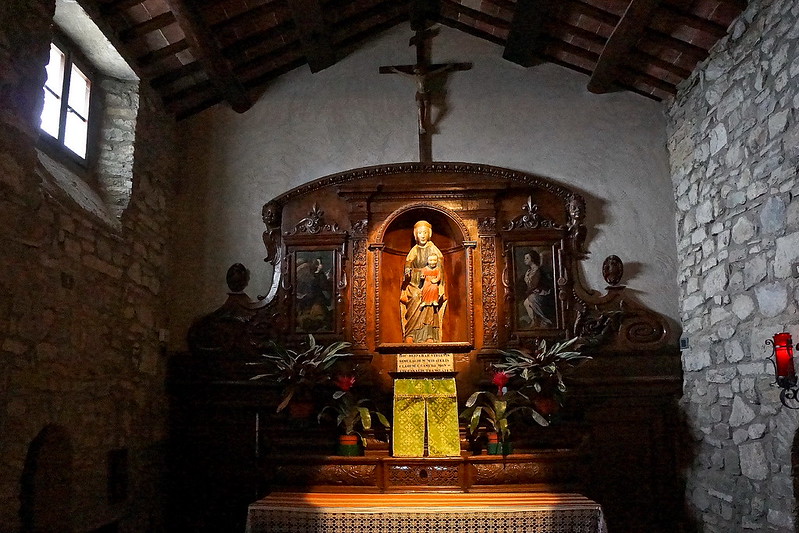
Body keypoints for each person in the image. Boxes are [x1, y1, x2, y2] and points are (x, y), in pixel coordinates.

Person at [400, 220, 446, 342]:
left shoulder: (433, 249)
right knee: (415, 297)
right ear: (416, 235)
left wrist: (440, 286)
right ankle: (411, 333)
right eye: (420, 233)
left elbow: (440, 268)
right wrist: (408, 270)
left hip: (430, 283)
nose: (422, 235)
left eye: (425, 232)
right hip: (415, 282)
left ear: (429, 234)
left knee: (429, 304)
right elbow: (408, 262)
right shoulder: (414, 249)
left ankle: (429, 335)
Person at [521, 250, 553, 328]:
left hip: (543, 293)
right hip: (534, 292)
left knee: (531, 298)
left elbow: (534, 284)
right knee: (526, 303)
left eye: (527, 258)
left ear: (532, 259)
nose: (525, 260)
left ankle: (545, 320)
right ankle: (534, 320)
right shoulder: (529, 271)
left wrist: (530, 290)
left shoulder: (538, 270)